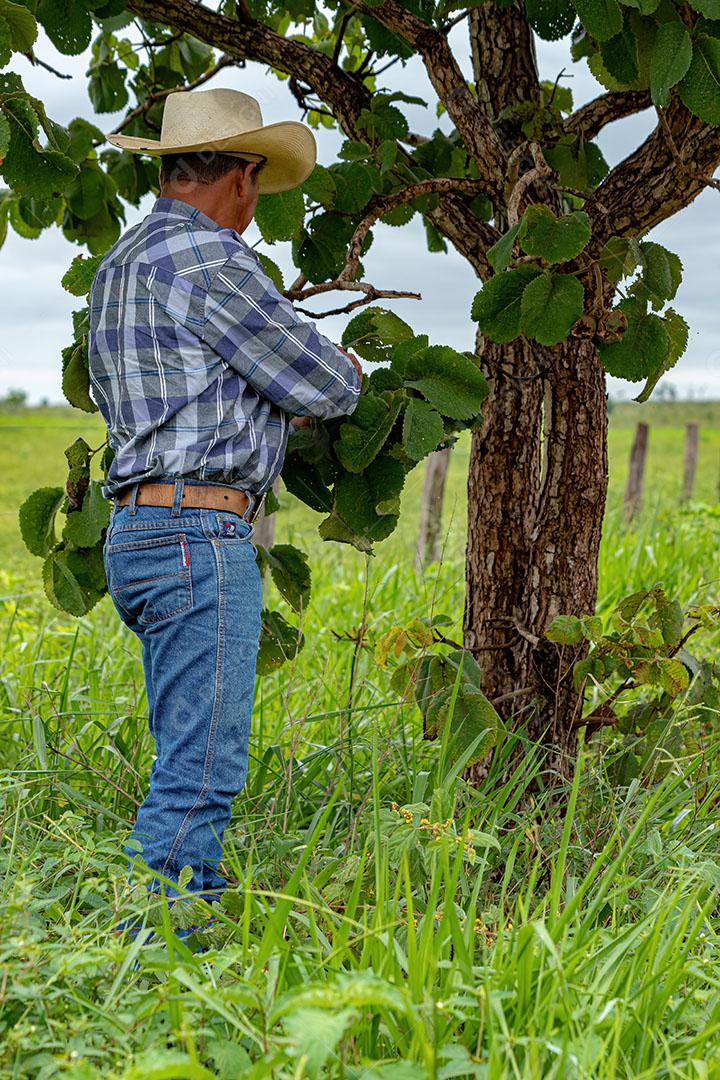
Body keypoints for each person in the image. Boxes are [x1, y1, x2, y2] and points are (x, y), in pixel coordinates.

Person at [89, 88, 362, 908]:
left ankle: (185, 933)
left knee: (188, 749)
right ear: (241, 175)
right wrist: (344, 368)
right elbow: (324, 384)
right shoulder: (210, 260)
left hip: (139, 529)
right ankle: (150, 954)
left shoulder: (122, 263)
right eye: (258, 182)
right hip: (196, 532)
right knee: (203, 767)